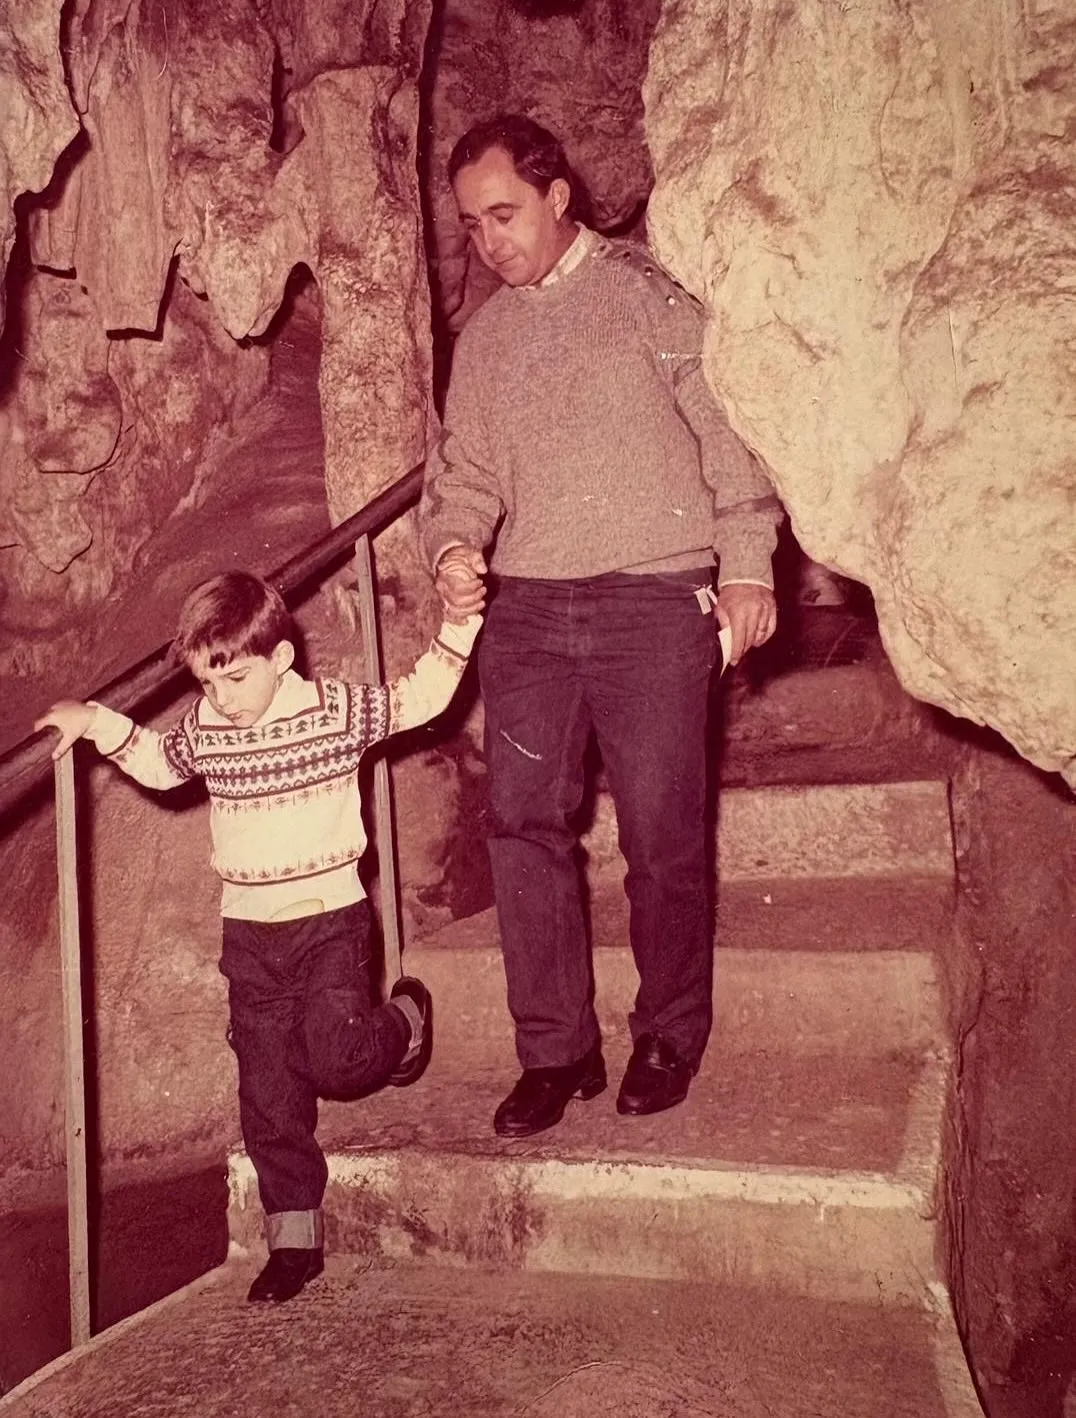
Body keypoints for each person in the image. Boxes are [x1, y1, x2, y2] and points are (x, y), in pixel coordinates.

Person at [421, 114, 783, 1138]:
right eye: (472, 225)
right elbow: (466, 479)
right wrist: (453, 550)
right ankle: (555, 1050)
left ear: (558, 197)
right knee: (520, 830)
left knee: (662, 835)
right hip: (528, 610)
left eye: (504, 214)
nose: (490, 241)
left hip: (652, 600)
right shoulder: (485, 340)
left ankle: (667, 1033)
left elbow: (729, 437)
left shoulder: (646, 299)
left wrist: (747, 565)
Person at [35, 570, 481, 1302]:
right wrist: (95, 722)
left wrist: (459, 624)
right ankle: (294, 1236)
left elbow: (419, 697)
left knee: (336, 1061)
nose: (223, 699)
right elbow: (159, 761)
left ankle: (404, 1020)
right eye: (209, 683)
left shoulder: (334, 712)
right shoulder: (210, 727)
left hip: (328, 922)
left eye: (237, 679)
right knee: (267, 1087)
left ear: (281, 659)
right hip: (248, 933)